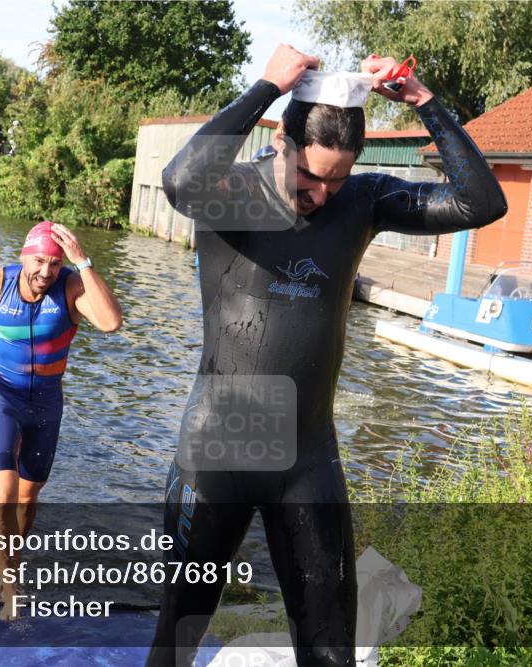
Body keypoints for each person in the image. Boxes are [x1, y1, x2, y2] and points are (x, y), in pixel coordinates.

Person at [147, 45, 508, 666]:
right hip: (219, 446)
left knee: (330, 644)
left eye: (337, 178)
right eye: (310, 176)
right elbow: (178, 182)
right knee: (180, 631)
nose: (320, 192)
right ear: (283, 143)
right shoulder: (234, 194)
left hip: (308, 452)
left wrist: (424, 101)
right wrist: (265, 86)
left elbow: (482, 203)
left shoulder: (361, 201)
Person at [0, 221, 122, 616]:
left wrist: (84, 262)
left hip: (46, 403)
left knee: (28, 497)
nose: (46, 271)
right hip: (1, 397)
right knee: (3, 493)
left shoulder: (72, 287)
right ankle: (9, 585)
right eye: (39, 260)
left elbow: (111, 323)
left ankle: (10, 563)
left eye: (55, 263)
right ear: (24, 255)